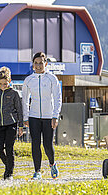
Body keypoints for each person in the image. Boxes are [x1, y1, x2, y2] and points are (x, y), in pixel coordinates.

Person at [22, 52, 62, 180]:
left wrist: (55, 116)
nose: (38, 66)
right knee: (35, 143)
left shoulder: (52, 78)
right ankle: (37, 171)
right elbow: (25, 100)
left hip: (48, 116)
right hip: (33, 116)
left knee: (47, 144)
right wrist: (25, 117)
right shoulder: (28, 80)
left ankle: (52, 163)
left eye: (41, 63)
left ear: (46, 64)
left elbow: (57, 98)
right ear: (33, 65)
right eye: (36, 63)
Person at [0, 66, 23, 180]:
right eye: (0, 84)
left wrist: (21, 126)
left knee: (9, 148)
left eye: (5, 83)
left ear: (9, 81)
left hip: (11, 124)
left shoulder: (14, 94)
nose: (3, 86)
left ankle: (9, 173)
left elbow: (19, 110)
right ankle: (8, 166)